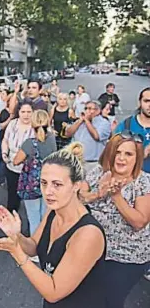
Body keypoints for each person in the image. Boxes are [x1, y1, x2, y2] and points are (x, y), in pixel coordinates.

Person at [0, 146, 107, 308]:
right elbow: (34, 246)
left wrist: (16, 252)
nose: (48, 191)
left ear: (76, 185)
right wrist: (16, 236)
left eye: (57, 184)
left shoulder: (88, 234)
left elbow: (54, 292)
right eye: (44, 183)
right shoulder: (54, 211)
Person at [81, 131, 150, 307]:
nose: (121, 158)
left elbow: (139, 222)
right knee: (89, 297)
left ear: (137, 157)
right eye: (117, 152)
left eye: (128, 154)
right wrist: (97, 194)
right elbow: (79, 195)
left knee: (110, 300)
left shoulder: (143, 182)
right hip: (94, 251)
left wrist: (116, 196)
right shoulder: (99, 172)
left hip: (126, 256)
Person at [13, 110, 57, 247]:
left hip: (31, 185)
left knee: (33, 218)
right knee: (45, 217)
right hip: (48, 183)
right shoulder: (52, 139)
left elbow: (16, 161)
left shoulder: (29, 143)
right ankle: (46, 246)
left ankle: (34, 248)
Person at [2, 99, 35, 213]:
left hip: (30, 170)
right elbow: (5, 140)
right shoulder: (13, 123)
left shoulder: (37, 126)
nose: (26, 115)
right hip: (11, 166)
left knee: (30, 201)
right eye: (23, 112)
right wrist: (4, 154)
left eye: (29, 112)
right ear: (19, 112)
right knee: (12, 196)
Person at [66, 101, 111, 173]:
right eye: (86, 108)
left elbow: (96, 136)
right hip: (76, 161)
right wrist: (80, 121)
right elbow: (68, 134)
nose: (87, 111)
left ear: (98, 111)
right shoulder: (80, 122)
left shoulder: (104, 123)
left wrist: (87, 121)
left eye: (90, 108)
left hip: (92, 163)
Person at [114, 87, 150, 173]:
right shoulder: (126, 125)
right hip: (132, 179)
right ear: (140, 103)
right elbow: (113, 154)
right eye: (146, 101)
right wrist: (142, 154)